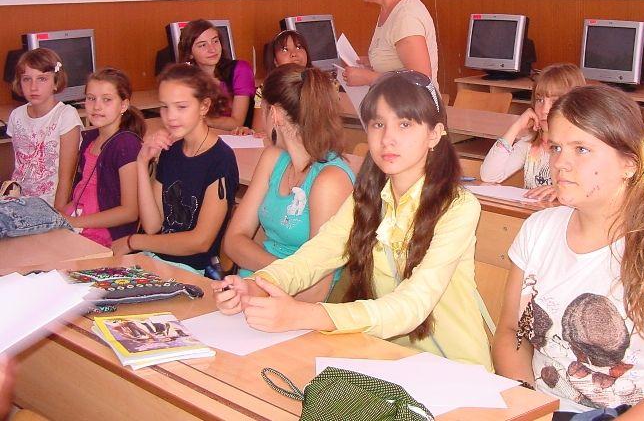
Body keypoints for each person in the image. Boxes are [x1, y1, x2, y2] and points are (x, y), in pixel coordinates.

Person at [215, 71, 491, 369]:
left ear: (434, 134)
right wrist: (257, 285)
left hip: (456, 370)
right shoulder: (367, 196)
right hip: (386, 359)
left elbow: (412, 306)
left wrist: (305, 314)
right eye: (378, 124)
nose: (388, 139)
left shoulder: (459, 207)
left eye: (405, 124)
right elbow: (315, 256)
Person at [492, 85, 644, 419]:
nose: (560, 163)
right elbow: (512, 333)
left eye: (581, 149)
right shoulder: (538, 230)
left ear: (630, 163)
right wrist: (529, 407)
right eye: (556, 147)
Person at [222, 64, 355, 302]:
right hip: (256, 287)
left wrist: (276, 276)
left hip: (297, 304)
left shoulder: (330, 181)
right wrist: (279, 273)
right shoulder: (273, 158)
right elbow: (233, 241)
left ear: (274, 114)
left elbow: (315, 289)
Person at [124, 64, 239, 275]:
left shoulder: (221, 159)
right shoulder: (171, 151)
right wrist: (141, 162)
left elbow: (200, 241)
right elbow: (152, 225)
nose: (171, 116)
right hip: (157, 259)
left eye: (181, 107)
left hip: (194, 270)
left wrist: (135, 241)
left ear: (204, 106)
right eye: (165, 107)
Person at [64, 68, 145, 249]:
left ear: (123, 105)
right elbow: (83, 190)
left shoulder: (126, 145)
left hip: (106, 236)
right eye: (91, 98)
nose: (97, 106)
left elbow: (130, 212)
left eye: (107, 100)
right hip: (80, 223)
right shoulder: (90, 138)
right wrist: (59, 217)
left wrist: (75, 222)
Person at [342, 0, 440, 91]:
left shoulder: (406, 17)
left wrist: (369, 78)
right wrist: (373, 63)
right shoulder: (390, 8)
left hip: (412, 106)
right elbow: (398, 63)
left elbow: (421, 81)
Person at [480, 63, 586, 199]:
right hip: (533, 211)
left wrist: (563, 189)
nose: (545, 110)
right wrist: (516, 126)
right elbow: (489, 176)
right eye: (540, 100)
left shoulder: (582, 149)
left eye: (555, 101)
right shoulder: (530, 145)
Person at [7, 48, 82, 210]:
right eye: (27, 79)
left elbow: (66, 178)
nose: (33, 87)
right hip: (17, 201)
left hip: (49, 204)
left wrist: (57, 215)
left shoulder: (66, 115)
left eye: (42, 79)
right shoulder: (16, 115)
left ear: (55, 83)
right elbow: (19, 167)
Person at [178, 19, 256, 131]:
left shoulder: (240, 69)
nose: (212, 49)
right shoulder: (188, 79)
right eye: (203, 45)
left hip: (239, 136)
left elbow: (236, 123)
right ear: (190, 53)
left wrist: (198, 118)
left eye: (215, 41)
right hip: (208, 134)